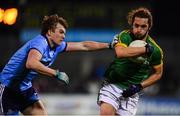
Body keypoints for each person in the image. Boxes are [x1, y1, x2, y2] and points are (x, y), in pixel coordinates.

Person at [0, 14, 115, 115]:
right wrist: (56, 73)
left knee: (40, 113)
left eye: (64, 33)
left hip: (24, 87)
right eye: (61, 32)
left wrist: (108, 45)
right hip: (8, 87)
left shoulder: (57, 46)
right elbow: (31, 63)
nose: (63, 36)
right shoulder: (40, 42)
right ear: (49, 32)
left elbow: (84, 45)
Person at [97, 7, 163, 116]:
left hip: (131, 93)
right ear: (132, 24)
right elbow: (120, 52)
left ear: (149, 27)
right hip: (113, 85)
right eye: (136, 25)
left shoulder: (156, 51)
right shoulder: (124, 36)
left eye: (143, 26)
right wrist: (145, 49)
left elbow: (158, 73)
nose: (139, 29)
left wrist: (139, 86)